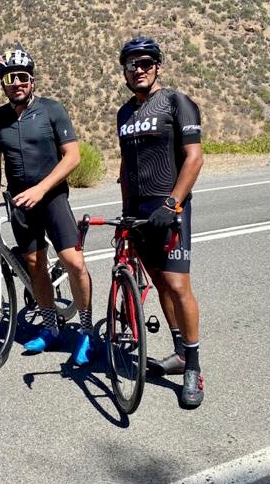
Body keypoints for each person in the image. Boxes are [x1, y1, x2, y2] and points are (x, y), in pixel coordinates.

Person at [0, 44, 94, 366]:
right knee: (34, 266)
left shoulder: (52, 109)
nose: (16, 83)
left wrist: (42, 188)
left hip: (53, 197)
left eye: (22, 77)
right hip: (19, 202)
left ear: (32, 80)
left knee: (74, 263)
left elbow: (72, 156)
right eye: (9, 78)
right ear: (3, 82)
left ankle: (85, 331)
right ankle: (50, 328)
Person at [116, 36, 205, 408]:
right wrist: (124, 216)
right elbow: (125, 166)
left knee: (177, 284)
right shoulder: (124, 114)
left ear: (158, 67)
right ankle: (178, 351)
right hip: (137, 212)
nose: (139, 70)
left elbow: (194, 158)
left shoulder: (176, 102)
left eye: (146, 63)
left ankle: (193, 368)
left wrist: (172, 203)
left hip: (169, 208)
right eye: (132, 64)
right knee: (157, 282)